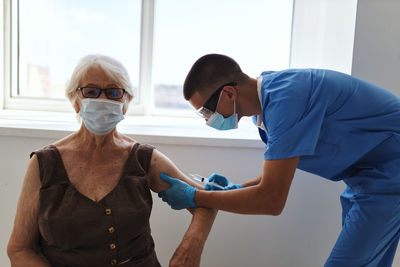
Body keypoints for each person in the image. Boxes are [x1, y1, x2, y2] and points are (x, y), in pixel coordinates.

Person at [158, 54, 400, 266]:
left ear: (229, 92)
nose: (207, 120)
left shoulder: (286, 101)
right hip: (369, 177)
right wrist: (236, 188)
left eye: (206, 111)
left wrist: (195, 196)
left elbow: (272, 200)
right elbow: (276, 174)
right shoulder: (267, 109)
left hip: (389, 175)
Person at [7, 54, 217, 267]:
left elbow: (207, 203)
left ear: (127, 101)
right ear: (74, 98)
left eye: (114, 92)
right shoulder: (44, 164)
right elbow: (19, 249)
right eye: (91, 91)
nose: (102, 100)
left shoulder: (144, 159)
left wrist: (191, 245)